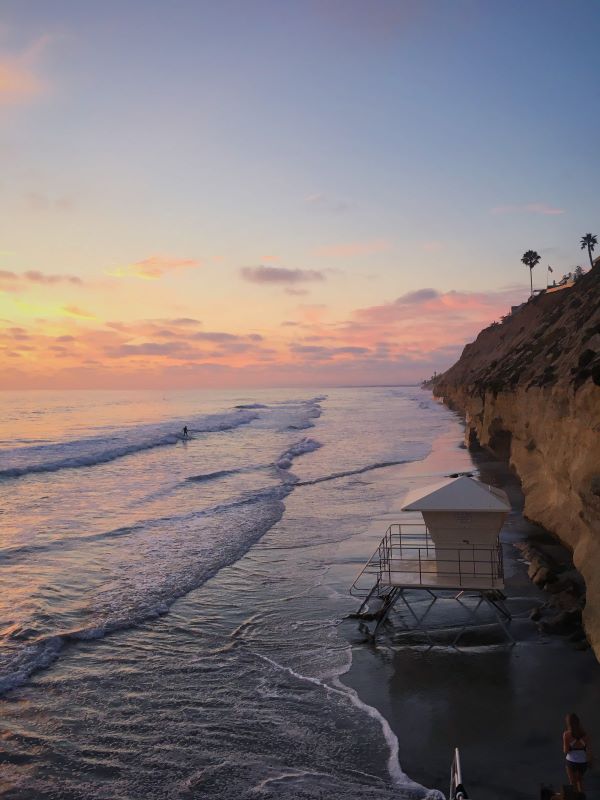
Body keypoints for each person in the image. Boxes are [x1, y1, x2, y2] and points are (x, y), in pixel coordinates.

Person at [563, 712, 591, 795]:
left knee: (573, 784)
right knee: (581, 783)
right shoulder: (585, 735)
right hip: (583, 762)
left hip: (571, 761)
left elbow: (566, 750)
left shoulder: (566, 734)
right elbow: (588, 750)